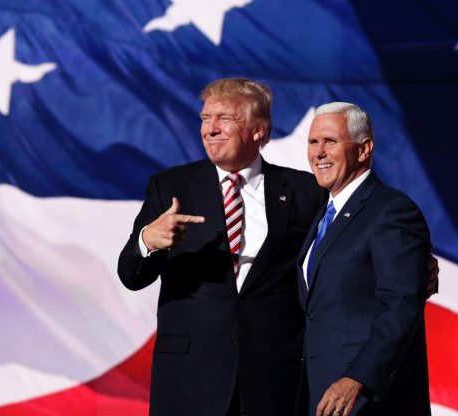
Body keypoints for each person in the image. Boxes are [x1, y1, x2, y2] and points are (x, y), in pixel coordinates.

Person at [117, 78, 326, 415]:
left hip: (273, 380)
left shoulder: (305, 192)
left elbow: (343, 255)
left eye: (225, 118)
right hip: (189, 381)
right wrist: (146, 242)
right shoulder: (171, 186)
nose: (210, 129)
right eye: (204, 118)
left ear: (258, 131)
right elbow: (130, 275)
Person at [299, 102, 432, 416]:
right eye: (313, 142)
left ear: (364, 149)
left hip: (366, 399)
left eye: (330, 141)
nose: (318, 152)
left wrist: (358, 378)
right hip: (320, 393)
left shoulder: (392, 211)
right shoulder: (321, 215)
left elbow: (401, 304)